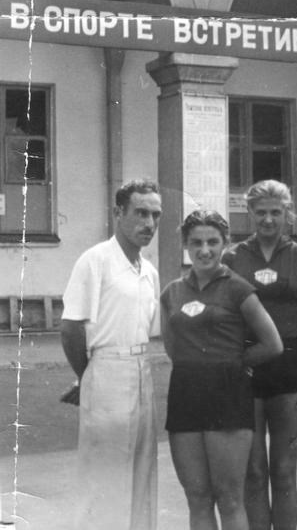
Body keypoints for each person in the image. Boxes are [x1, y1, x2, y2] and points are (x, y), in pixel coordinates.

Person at [160, 210, 284, 530]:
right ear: (185, 245)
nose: (204, 250)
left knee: (229, 498)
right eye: (196, 242)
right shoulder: (172, 292)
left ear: (225, 244)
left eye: (213, 242)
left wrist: (233, 363)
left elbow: (272, 344)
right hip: (185, 393)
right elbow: (172, 346)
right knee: (197, 497)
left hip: (227, 394)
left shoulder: (238, 289)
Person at [222, 180, 297, 530]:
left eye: (275, 213)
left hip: (290, 368)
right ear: (250, 213)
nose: (268, 220)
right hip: (249, 367)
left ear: (287, 214)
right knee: (252, 471)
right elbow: (226, 317)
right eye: (261, 212)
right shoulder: (233, 256)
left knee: (283, 470)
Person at [60, 178, 162, 530]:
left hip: (142, 369)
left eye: (155, 215)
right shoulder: (95, 261)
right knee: (105, 474)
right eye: (140, 213)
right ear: (119, 213)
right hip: (106, 371)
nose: (148, 224)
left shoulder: (148, 271)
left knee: (142, 468)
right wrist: (89, 375)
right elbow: (71, 328)